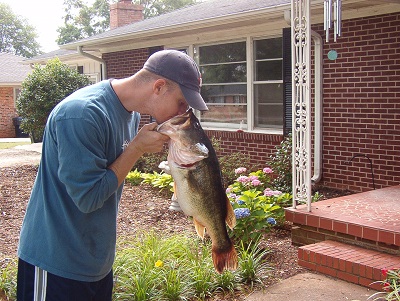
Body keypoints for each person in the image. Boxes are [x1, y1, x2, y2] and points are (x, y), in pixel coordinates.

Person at [16, 49, 208, 301]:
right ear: (159, 87)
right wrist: (136, 148)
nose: (181, 113)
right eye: (182, 103)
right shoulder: (81, 114)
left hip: (95, 263)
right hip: (55, 262)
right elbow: (88, 197)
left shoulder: (131, 114)